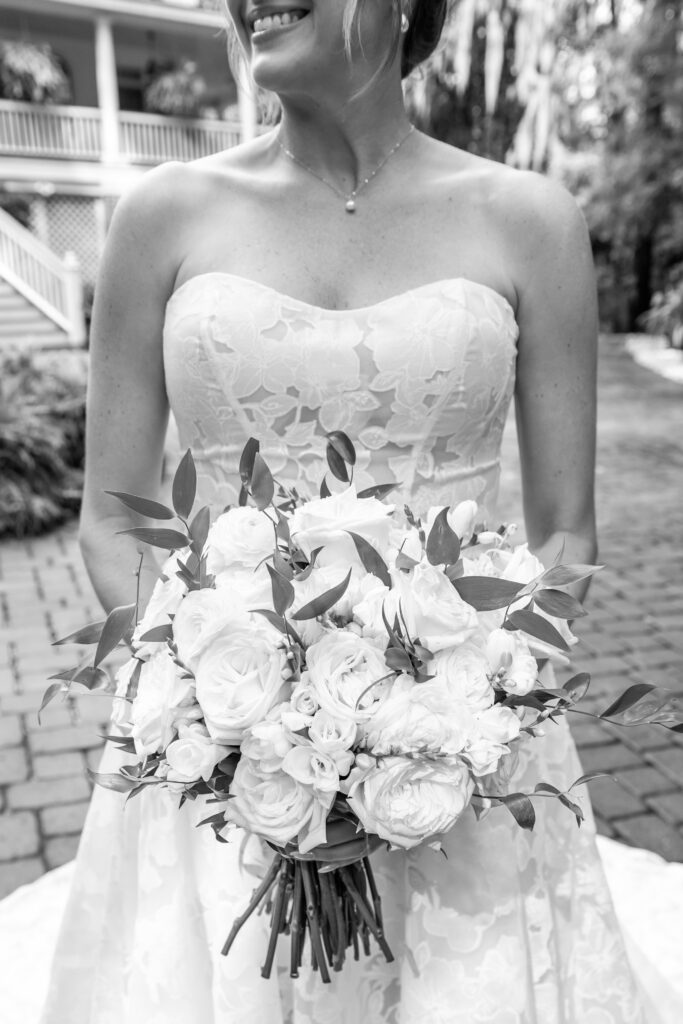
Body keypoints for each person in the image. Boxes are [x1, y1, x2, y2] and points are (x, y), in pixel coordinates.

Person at [7, 1, 675, 1021]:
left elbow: (563, 536)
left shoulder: (527, 219)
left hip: (463, 759)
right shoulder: (161, 216)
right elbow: (112, 516)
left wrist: (462, 710)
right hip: (222, 753)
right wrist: (232, 723)